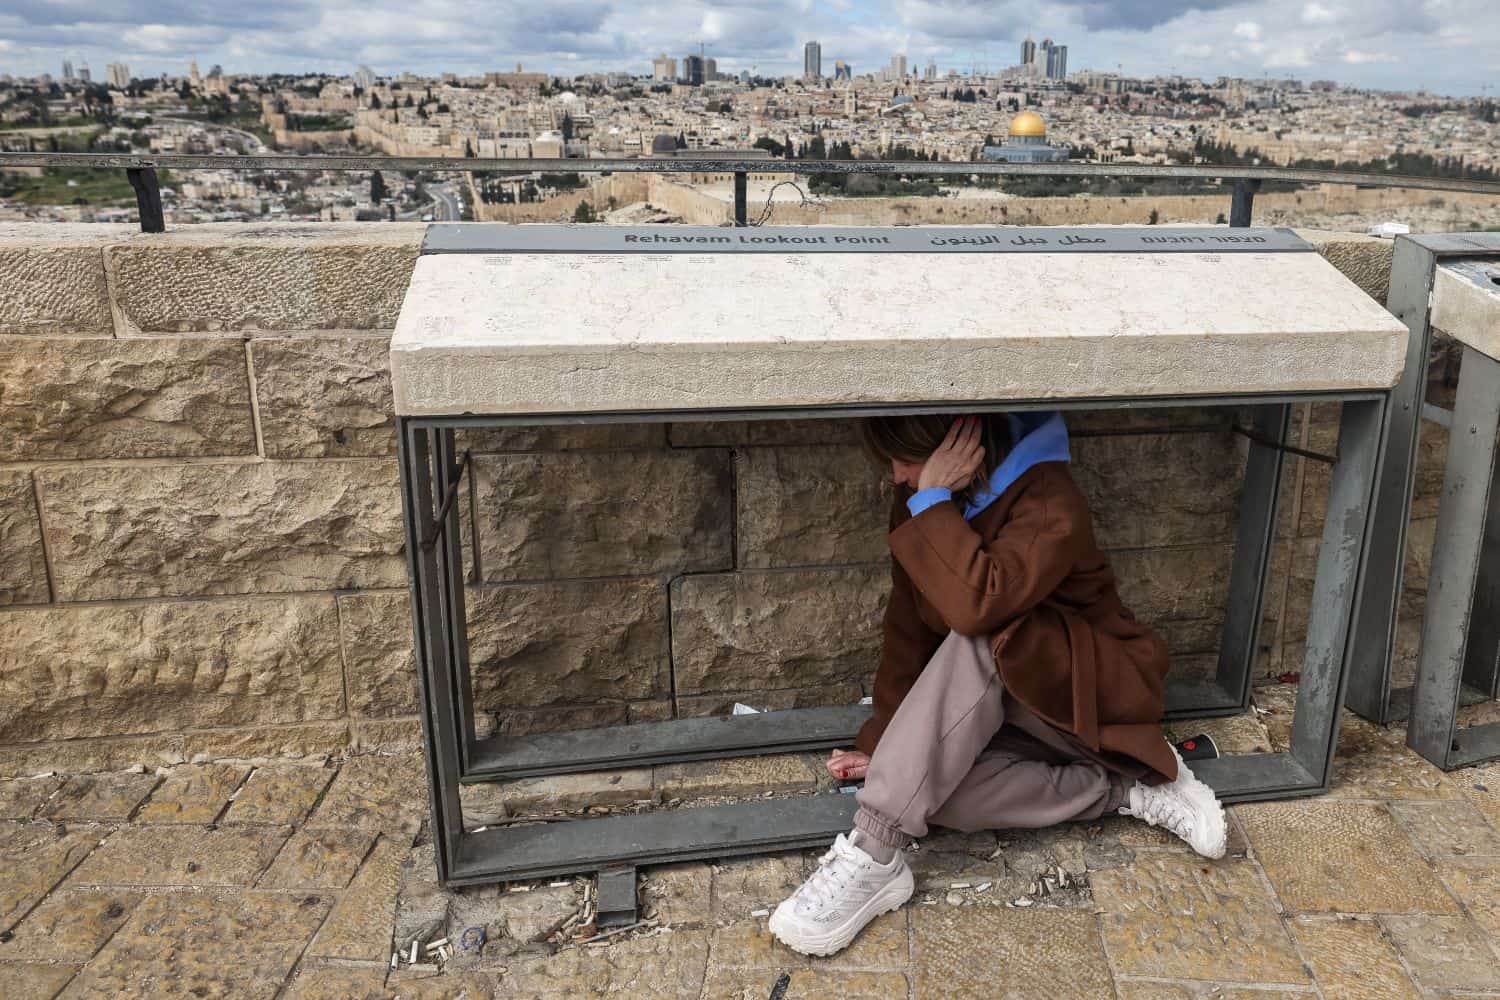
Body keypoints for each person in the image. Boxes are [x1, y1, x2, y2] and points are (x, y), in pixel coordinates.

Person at [768, 412, 1226, 958]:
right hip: (1011, 711)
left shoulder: (1047, 498)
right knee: (927, 792)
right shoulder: (923, 496)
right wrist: (887, 744)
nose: (896, 476)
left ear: (962, 445)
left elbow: (977, 606)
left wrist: (932, 500)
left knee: (980, 634)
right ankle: (1124, 791)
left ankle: (875, 851)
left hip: (1095, 698)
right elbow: (907, 630)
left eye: (906, 460)